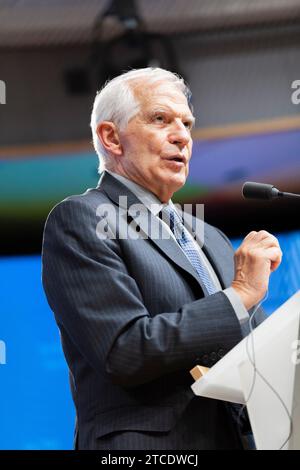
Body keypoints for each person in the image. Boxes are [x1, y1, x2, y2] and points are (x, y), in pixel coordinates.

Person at [42, 67, 282, 450]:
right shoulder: (83, 218)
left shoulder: (211, 237)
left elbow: (258, 352)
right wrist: (238, 295)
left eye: (187, 123)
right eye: (160, 119)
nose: (182, 136)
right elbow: (124, 351)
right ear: (111, 137)